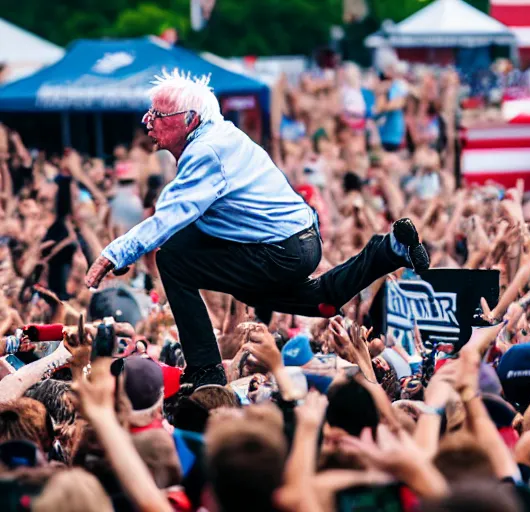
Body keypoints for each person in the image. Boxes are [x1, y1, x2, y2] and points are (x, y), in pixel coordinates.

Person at [84, 70, 429, 388]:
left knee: (173, 258)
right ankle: (387, 251)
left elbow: (170, 215)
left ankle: (206, 370)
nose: (147, 122)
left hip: (279, 250)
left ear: (189, 120)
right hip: (296, 241)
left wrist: (117, 252)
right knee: (314, 300)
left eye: (157, 115)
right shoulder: (221, 136)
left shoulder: (206, 151)